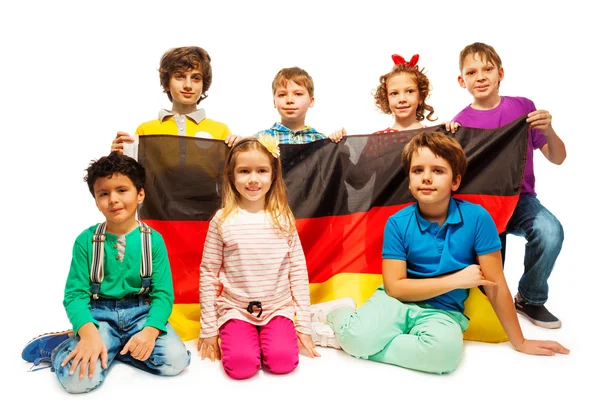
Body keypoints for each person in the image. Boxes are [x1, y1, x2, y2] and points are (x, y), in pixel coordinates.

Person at [309, 131, 569, 374]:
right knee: (358, 338)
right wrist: (456, 281)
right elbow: (395, 288)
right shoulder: (398, 223)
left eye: (438, 171)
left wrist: (520, 341)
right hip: (397, 302)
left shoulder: (478, 218)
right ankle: (339, 314)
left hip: (443, 311)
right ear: (409, 180)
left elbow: (495, 284)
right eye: (418, 170)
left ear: (455, 181)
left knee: (444, 356)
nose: (426, 177)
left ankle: (359, 340)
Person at [21, 152, 190, 393]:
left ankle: (110, 351)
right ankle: (61, 348)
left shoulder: (153, 241)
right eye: (104, 193)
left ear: (140, 194)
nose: (113, 199)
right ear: (96, 200)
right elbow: (74, 295)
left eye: (122, 190)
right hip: (100, 316)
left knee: (176, 360)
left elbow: (163, 294)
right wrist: (89, 333)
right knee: (76, 381)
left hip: (140, 314)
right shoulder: (86, 241)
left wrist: (151, 331)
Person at [452, 42, 567, 328]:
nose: (480, 77)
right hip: (482, 208)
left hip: (520, 200)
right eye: (472, 72)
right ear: (461, 80)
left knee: (550, 231)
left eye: (487, 69)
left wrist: (548, 130)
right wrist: (449, 135)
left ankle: (530, 298)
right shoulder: (460, 123)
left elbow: (558, 158)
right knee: (489, 288)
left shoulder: (523, 108)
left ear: (500, 73)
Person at [198, 134, 319, 379]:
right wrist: (209, 330)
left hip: (277, 308)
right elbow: (208, 274)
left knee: (283, 362)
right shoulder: (222, 220)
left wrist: (303, 326)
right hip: (235, 309)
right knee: (241, 367)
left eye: (262, 171)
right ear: (231, 176)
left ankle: (271, 335)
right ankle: (241, 336)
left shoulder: (283, 218)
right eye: (244, 171)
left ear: (273, 174)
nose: (253, 179)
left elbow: (297, 270)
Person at [111, 46, 230, 158]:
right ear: (167, 83)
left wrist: (243, 149)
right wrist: (116, 158)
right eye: (179, 76)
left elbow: (232, 176)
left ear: (204, 85)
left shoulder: (221, 132)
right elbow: (132, 177)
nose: (188, 85)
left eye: (196, 78)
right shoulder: (145, 131)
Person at [226, 66, 343, 146]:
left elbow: (347, 176)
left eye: (298, 94)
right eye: (282, 95)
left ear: (311, 101)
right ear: (274, 102)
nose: (290, 100)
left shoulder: (321, 141)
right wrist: (239, 145)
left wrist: (338, 144)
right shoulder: (260, 140)